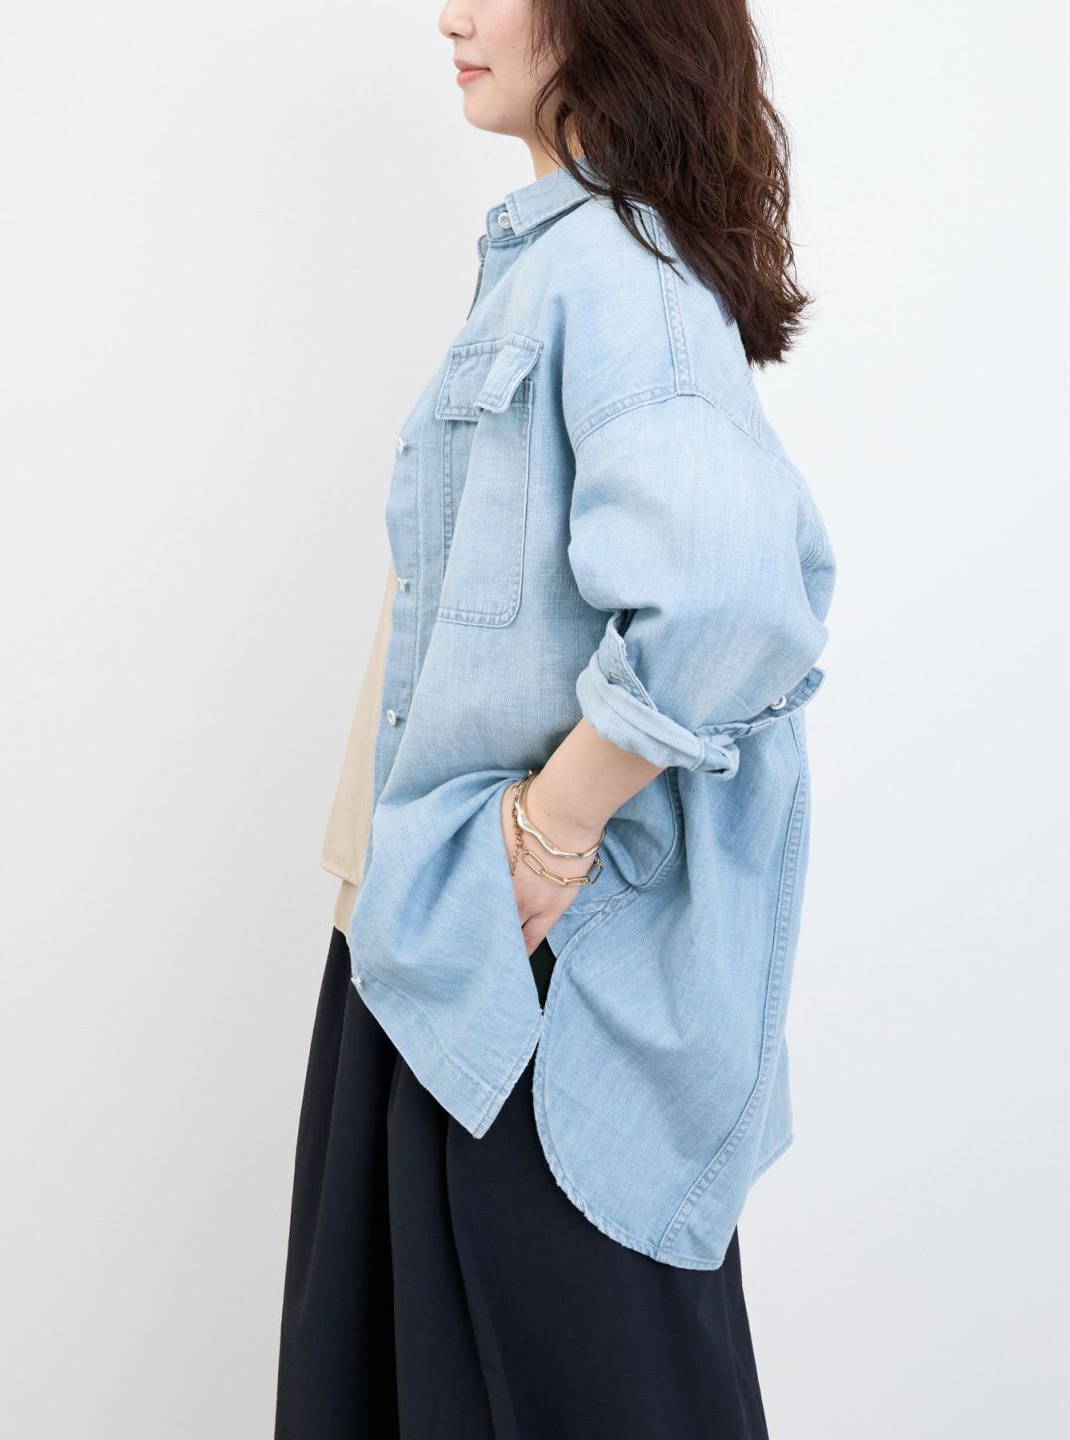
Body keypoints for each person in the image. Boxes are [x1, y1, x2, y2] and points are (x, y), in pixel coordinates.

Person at [276, 0, 836, 1435]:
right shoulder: (557, 260)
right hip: (440, 937)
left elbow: (729, 595)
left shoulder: (619, 274)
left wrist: (553, 828)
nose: (451, 15)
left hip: (531, 975)